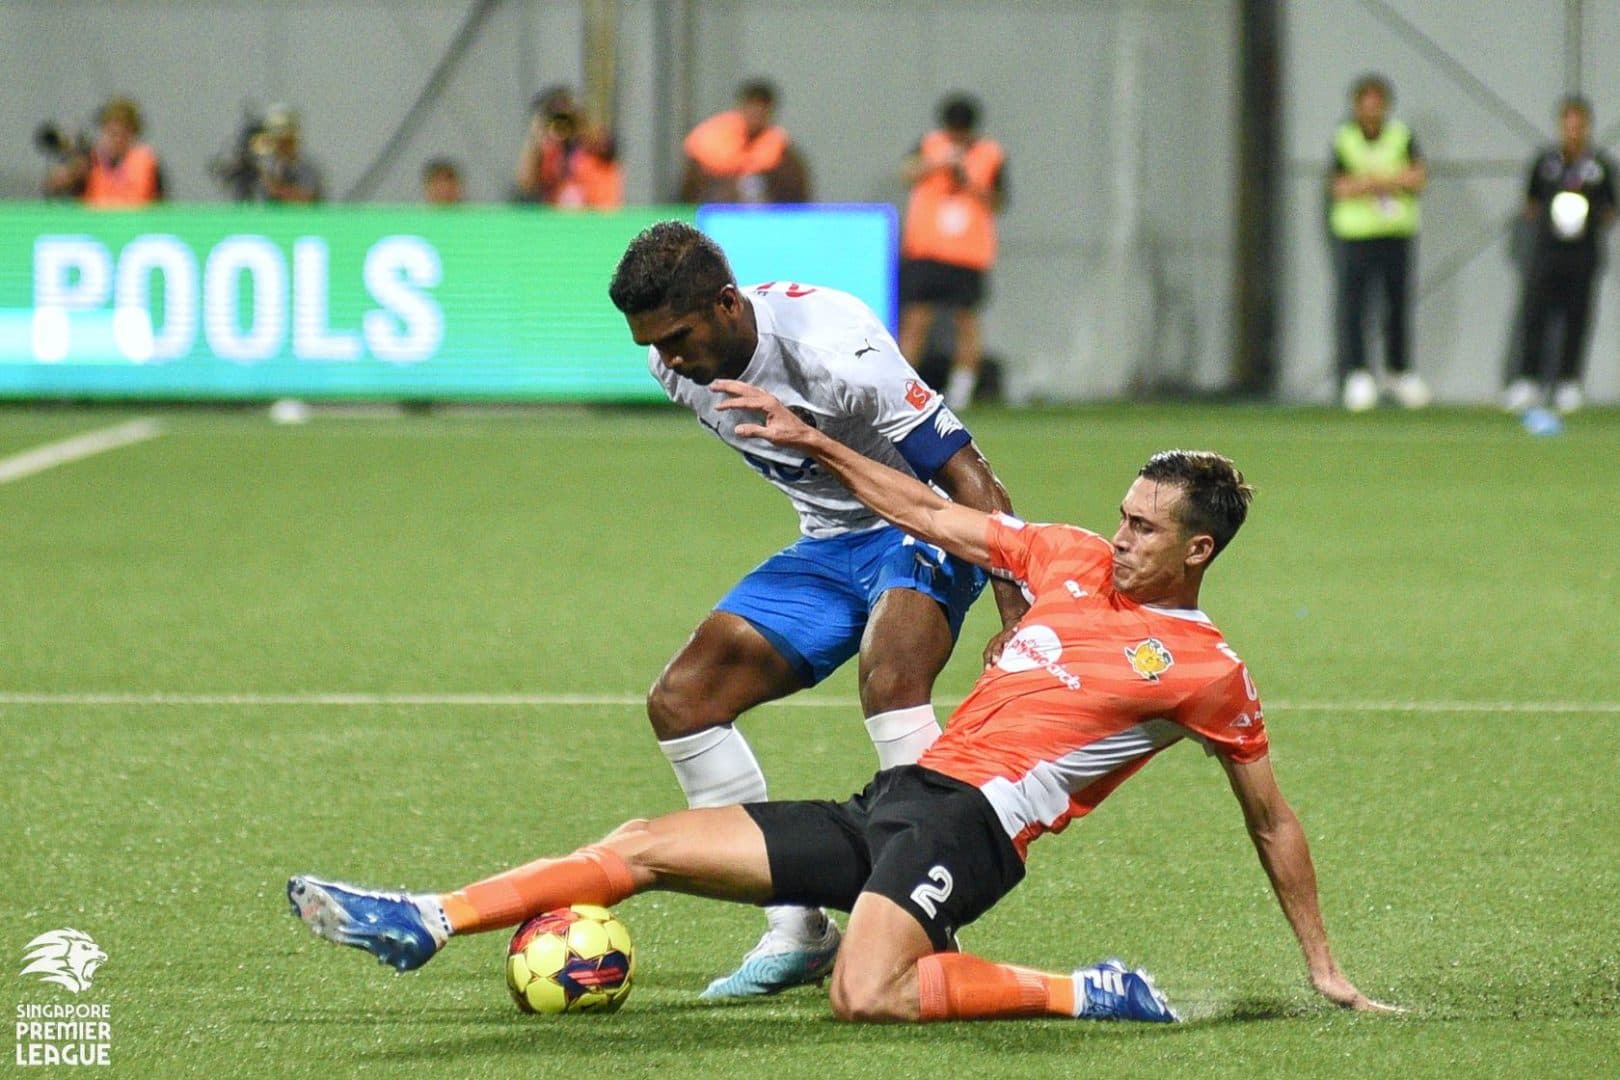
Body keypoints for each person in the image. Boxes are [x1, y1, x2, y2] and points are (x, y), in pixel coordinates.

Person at [288, 424, 1393, 1024]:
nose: (1119, 537)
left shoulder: (1206, 669)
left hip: (973, 832)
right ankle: (429, 920)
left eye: (1145, 529)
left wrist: (1323, 963)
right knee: (640, 845)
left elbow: (1272, 820)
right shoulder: (1062, 555)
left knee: (867, 993)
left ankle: (1087, 991)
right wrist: (817, 447)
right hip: (899, 804)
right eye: (1121, 514)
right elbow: (922, 507)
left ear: (1198, 551)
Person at [604, 220, 1028, 997]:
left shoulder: (838, 346)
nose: (665, 360)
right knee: (684, 700)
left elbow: (973, 479)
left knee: (892, 674)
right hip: (830, 544)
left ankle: (924, 925)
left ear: (729, 304)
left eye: (676, 338)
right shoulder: (676, 370)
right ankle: (797, 929)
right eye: (651, 345)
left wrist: (1018, 620)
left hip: (920, 521)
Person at [1504, 96, 1617, 416]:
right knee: (1535, 315)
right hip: (1547, 254)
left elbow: (1610, 210)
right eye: (1568, 126)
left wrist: (1585, 216)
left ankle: (1568, 382)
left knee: (1577, 318)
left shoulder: (1599, 167)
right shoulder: (1545, 163)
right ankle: (1528, 380)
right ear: (1560, 127)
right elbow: (1530, 205)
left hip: (1583, 255)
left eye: (1579, 126)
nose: (1573, 132)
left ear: (1587, 128)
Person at [1329, 74, 1431, 412]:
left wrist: (1374, 181)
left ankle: (1397, 373)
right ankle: (1358, 375)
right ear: (1357, 107)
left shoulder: (1401, 136)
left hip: (1396, 233)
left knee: (1397, 305)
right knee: (1355, 307)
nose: (1372, 111)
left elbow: (1417, 178)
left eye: (1378, 104)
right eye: (1366, 104)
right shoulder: (1345, 138)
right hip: (1356, 236)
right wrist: (1385, 182)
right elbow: (1340, 187)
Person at [898, 94, 1007, 412]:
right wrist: (939, 163)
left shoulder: (990, 153)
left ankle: (962, 392)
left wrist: (969, 181)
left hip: (967, 255)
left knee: (967, 323)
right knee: (916, 321)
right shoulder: (930, 145)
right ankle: (903, 391)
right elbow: (906, 173)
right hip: (927, 251)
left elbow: (998, 201)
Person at [679, 79, 810, 204]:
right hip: (712, 209)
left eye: (761, 110)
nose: (756, 116)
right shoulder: (711, 136)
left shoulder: (780, 151)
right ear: (741, 107)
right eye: (752, 108)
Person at [513, 86, 623, 209]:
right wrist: (537, 135)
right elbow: (525, 183)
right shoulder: (552, 152)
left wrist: (578, 120)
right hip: (563, 222)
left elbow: (605, 145)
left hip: (598, 218)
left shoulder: (595, 147)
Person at [41, 98, 164, 207]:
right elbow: (58, 185)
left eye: (122, 134)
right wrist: (69, 176)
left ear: (132, 134)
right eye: (111, 133)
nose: (117, 140)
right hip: (97, 227)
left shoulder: (146, 162)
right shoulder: (90, 161)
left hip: (135, 226)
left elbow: (160, 201)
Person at [245, 105, 323, 204]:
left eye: (286, 141)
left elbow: (307, 198)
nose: (281, 146)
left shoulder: (307, 169)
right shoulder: (268, 168)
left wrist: (276, 189)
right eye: (278, 141)